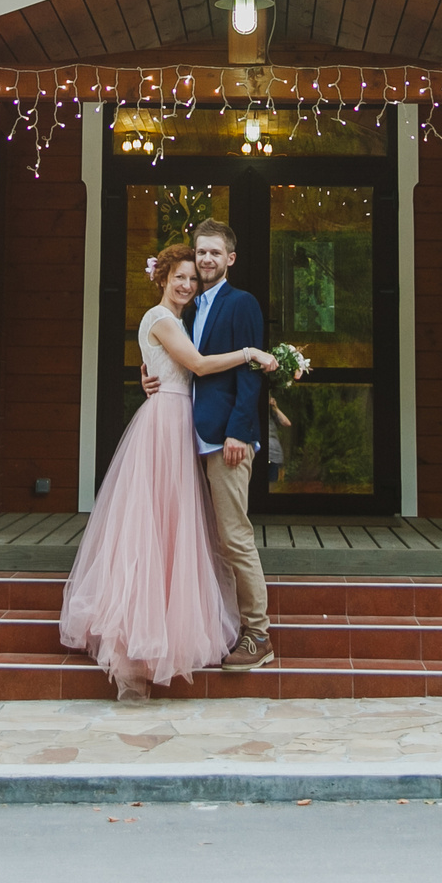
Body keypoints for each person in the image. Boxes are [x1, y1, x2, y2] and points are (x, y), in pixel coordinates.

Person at [58, 243, 274, 698]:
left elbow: (183, 367)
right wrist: (249, 352)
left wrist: (153, 371)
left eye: (192, 278)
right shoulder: (162, 318)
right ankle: (143, 633)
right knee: (154, 528)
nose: (188, 284)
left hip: (185, 426)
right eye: (180, 276)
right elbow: (197, 364)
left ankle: (247, 630)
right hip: (166, 427)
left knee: (183, 527)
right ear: (162, 278)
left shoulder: (187, 319)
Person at [182, 218, 277, 672]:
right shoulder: (189, 307)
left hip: (227, 438)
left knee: (235, 537)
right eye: (201, 252)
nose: (206, 259)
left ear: (230, 259)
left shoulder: (242, 304)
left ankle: (258, 635)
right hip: (189, 435)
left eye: (215, 252)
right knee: (206, 536)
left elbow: (251, 372)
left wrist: (240, 430)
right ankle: (219, 625)